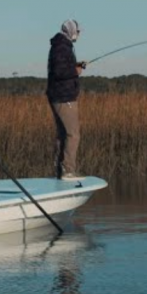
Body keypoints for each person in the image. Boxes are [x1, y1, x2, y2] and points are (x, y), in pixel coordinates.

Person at [46, 19, 86, 180]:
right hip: (64, 97)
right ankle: (68, 171)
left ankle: (60, 170)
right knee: (73, 134)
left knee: (63, 134)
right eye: (78, 30)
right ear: (71, 30)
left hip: (59, 95)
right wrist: (75, 71)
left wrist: (76, 65)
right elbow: (60, 72)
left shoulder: (60, 46)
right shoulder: (62, 47)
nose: (79, 33)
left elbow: (62, 67)